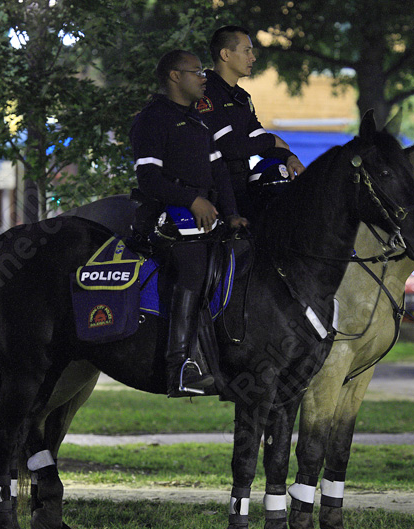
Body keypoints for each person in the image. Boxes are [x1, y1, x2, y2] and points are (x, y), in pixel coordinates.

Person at [129, 49, 247, 397]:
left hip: (206, 219)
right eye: (196, 72)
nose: (204, 78)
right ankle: (179, 367)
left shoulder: (198, 120)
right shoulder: (152, 119)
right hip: (164, 218)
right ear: (174, 77)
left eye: (203, 72)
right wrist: (191, 200)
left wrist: (232, 214)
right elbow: (149, 179)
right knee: (193, 269)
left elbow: (220, 172)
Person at [197, 25, 305, 223]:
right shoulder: (206, 93)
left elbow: (257, 136)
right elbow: (229, 148)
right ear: (225, 54)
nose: (253, 58)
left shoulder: (241, 97)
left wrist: (289, 157)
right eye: (247, 51)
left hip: (241, 187)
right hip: (213, 195)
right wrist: (271, 141)